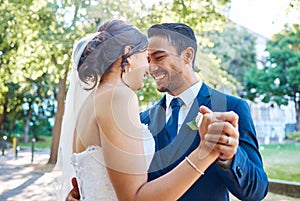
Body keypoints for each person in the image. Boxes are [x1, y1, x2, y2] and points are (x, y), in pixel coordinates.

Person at [66, 22, 268, 201]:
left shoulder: (232, 108)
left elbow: (257, 190)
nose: (151, 67)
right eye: (147, 58)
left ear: (187, 55)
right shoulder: (141, 118)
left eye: (159, 57)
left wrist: (229, 156)